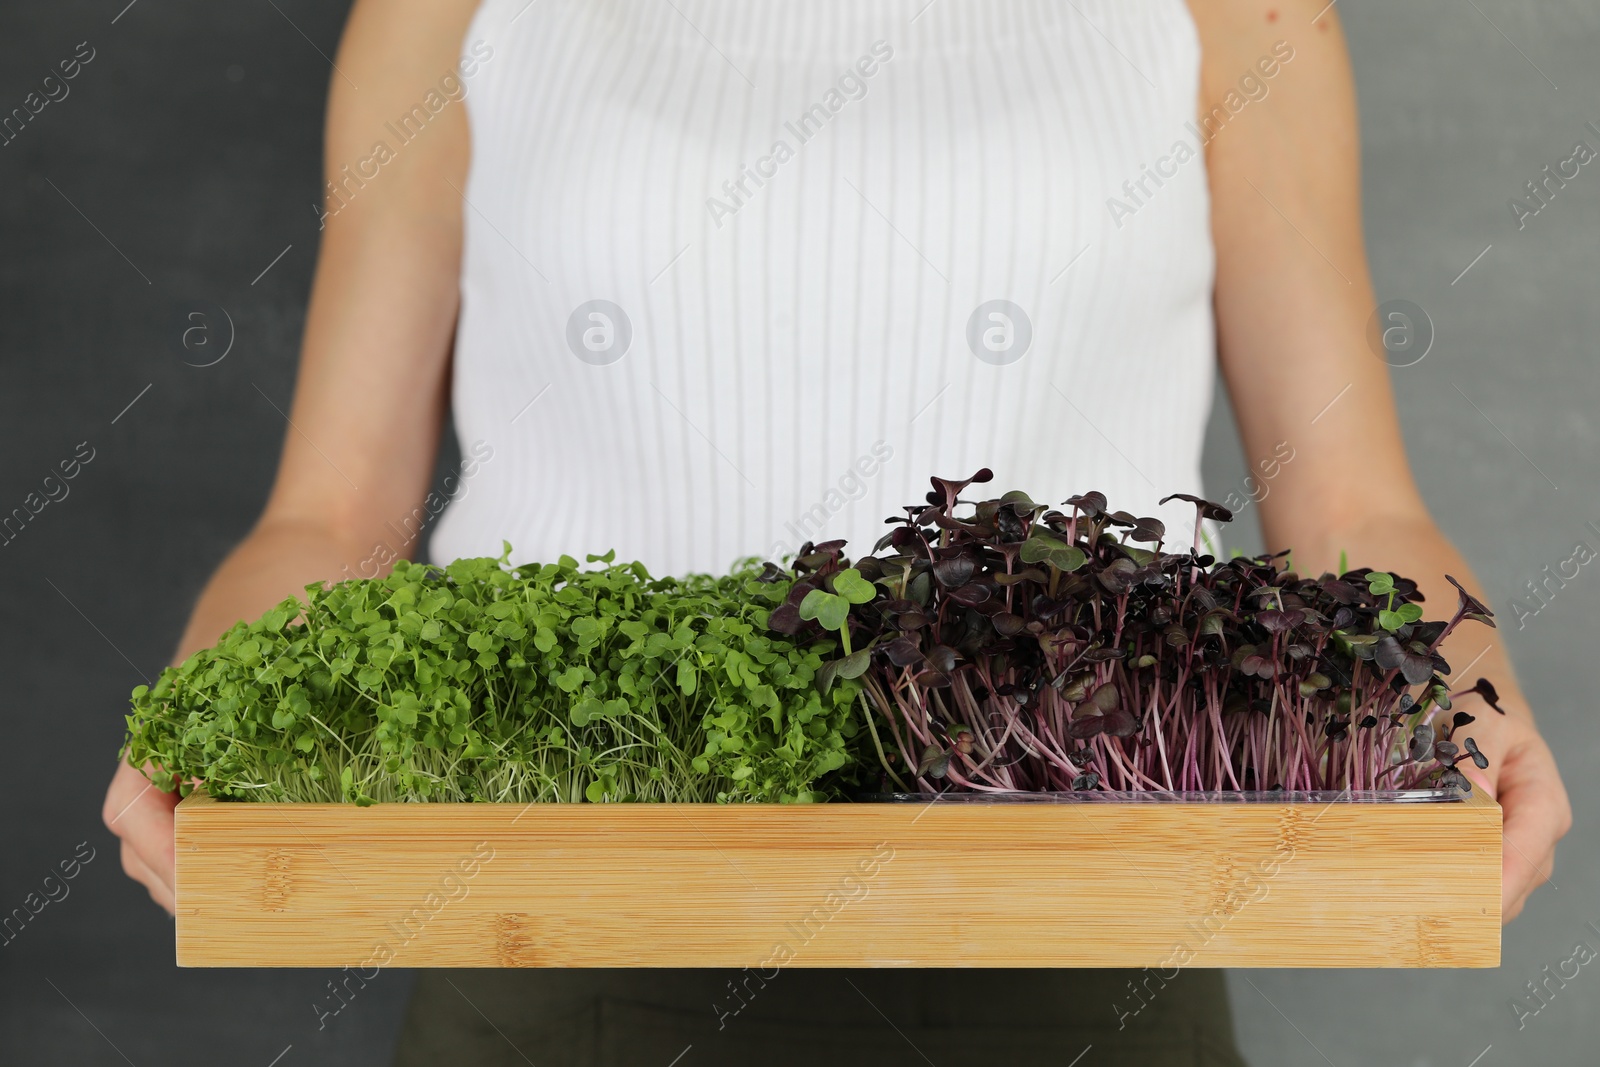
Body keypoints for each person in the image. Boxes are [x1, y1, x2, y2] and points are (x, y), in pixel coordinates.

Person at [104, 0, 1570, 1063]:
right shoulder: (450, 14)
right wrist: (209, 706)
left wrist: (1473, 701)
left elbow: (1354, 507)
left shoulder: (1234, 15)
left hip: (1087, 951)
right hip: (551, 956)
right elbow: (332, 514)